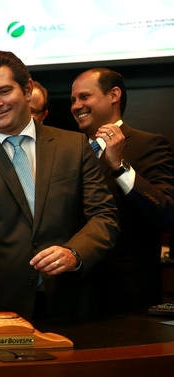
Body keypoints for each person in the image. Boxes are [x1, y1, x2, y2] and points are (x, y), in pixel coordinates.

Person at [0, 51, 119, 323]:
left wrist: (74, 253)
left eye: (4, 91)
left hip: (69, 302)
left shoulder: (73, 146)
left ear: (27, 89)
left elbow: (104, 217)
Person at [70, 67, 174, 313]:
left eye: (84, 97)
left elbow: (167, 213)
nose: (76, 106)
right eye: (73, 100)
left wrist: (119, 166)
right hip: (72, 293)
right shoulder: (69, 151)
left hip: (127, 296)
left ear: (114, 95)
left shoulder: (148, 145)